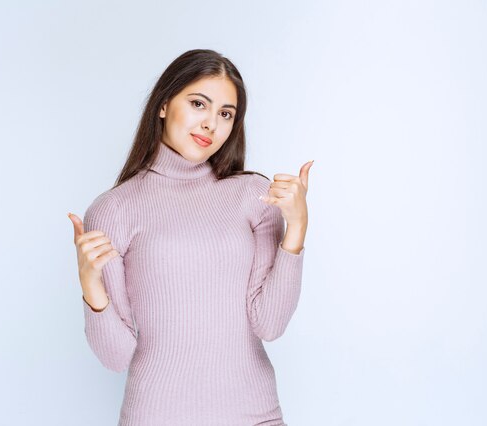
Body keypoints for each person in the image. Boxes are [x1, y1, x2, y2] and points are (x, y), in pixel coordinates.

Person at [67, 49, 312, 426]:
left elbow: (270, 324)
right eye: (199, 103)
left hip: (255, 416)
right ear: (164, 104)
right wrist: (89, 285)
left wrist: (295, 230)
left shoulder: (253, 196)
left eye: (225, 114)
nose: (211, 124)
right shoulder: (115, 209)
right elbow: (116, 358)